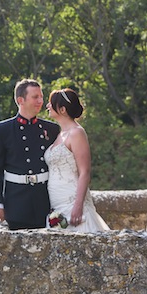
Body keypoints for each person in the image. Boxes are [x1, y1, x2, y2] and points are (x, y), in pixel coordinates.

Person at [0, 81, 59, 231]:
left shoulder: (51, 129)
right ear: (21, 100)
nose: (40, 101)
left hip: (46, 200)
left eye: (41, 96)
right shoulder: (2, 130)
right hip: (17, 200)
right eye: (35, 97)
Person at [43, 87, 110, 234]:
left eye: (50, 103)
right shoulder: (60, 134)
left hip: (72, 202)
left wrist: (78, 206)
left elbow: (84, 171)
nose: (47, 106)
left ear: (62, 109)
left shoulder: (77, 133)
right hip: (57, 203)